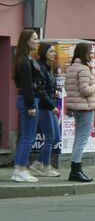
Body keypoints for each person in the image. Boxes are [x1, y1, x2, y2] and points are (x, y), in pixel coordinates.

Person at [64, 43, 95, 182]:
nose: (90, 54)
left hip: (76, 107)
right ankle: (76, 170)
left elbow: (68, 88)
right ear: (84, 53)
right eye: (89, 52)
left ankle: (75, 170)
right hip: (85, 107)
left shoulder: (72, 68)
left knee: (78, 138)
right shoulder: (84, 69)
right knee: (82, 138)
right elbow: (85, 91)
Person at [10, 29, 42, 183]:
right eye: (35, 39)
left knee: (25, 136)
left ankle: (18, 169)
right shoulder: (25, 61)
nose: (37, 41)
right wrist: (30, 105)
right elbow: (27, 85)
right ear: (27, 41)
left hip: (26, 99)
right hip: (28, 99)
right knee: (28, 137)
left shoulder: (24, 59)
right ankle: (21, 169)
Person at [29, 42, 62, 177]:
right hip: (43, 106)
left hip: (49, 105)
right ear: (44, 53)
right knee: (50, 137)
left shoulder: (48, 67)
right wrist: (51, 105)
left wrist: (54, 95)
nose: (54, 54)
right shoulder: (41, 67)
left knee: (55, 137)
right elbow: (41, 91)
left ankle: (38, 163)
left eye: (54, 51)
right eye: (51, 51)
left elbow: (48, 88)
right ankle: (45, 166)